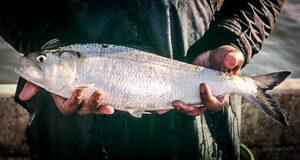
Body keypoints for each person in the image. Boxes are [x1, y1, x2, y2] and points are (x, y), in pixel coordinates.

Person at [0, 0, 284, 159]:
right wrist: (43, 39)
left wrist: (232, 37)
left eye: (42, 60)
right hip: (68, 131)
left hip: (193, 125)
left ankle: (247, 87)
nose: (35, 61)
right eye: (42, 60)